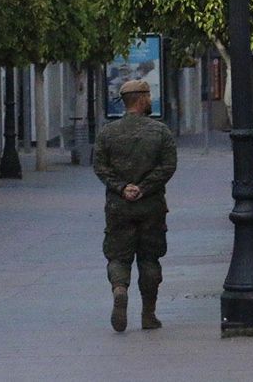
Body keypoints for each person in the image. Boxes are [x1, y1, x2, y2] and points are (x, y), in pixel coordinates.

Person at [93, 79, 178, 332]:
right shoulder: (160, 132)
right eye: (149, 96)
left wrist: (122, 187)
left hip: (118, 207)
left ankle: (120, 289)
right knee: (150, 259)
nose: (150, 99)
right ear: (141, 99)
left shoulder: (108, 133)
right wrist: (144, 187)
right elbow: (168, 166)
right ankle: (148, 315)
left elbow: (100, 167)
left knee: (118, 257)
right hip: (151, 207)